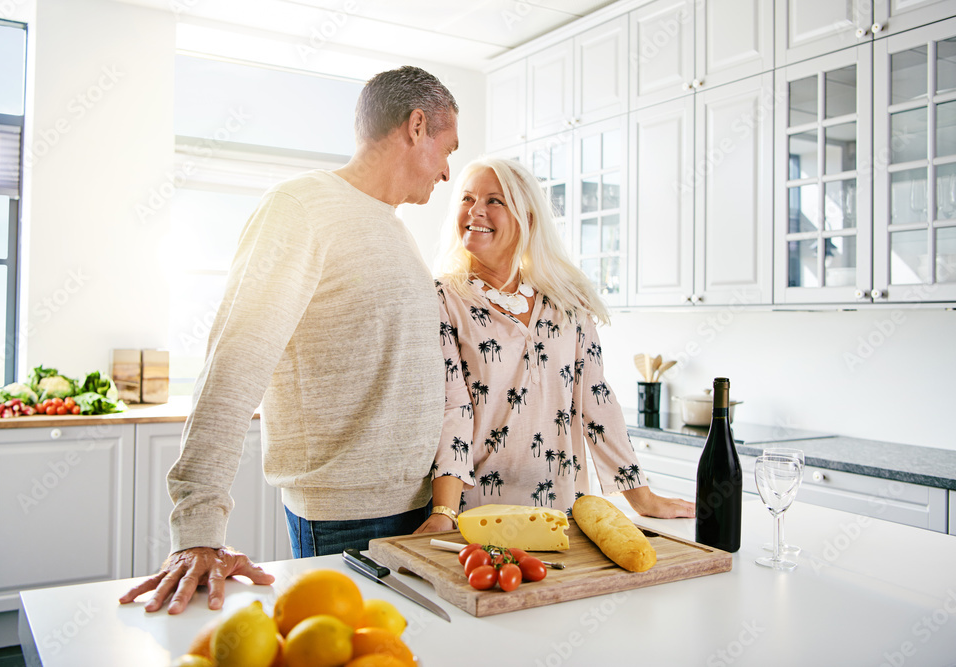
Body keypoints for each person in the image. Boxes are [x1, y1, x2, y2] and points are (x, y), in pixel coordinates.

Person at [120, 66, 459, 614]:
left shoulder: (393, 228)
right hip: (347, 519)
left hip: (419, 511)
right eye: (449, 149)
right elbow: (235, 361)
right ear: (417, 126)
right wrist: (198, 527)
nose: (448, 173)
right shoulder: (300, 208)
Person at [415, 157, 694, 533]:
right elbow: (454, 408)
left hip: (562, 516)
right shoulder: (443, 299)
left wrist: (642, 498)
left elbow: (596, 399)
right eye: (467, 198)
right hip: (477, 515)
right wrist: (443, 513)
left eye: (494, 201)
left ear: (527, 219)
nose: (475, 210)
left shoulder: (567, 301)